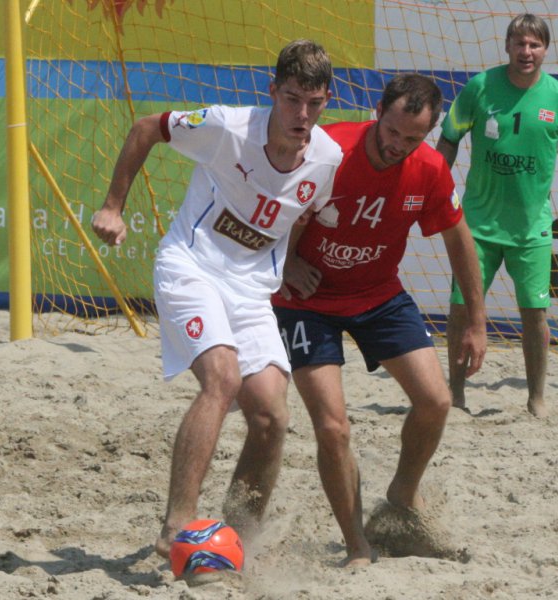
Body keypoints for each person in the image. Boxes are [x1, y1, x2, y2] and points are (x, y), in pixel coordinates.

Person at [91, 39, 344, 560]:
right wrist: (113, 207)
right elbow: (146, 129)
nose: (302, 115)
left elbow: (303, 213)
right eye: (293, 99)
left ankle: (235, 540)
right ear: (273, 91)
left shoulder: (327, 156)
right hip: (192, 267)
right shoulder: (226, 127)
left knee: (273, 418)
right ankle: (177, 527)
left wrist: (292, 261)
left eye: (315, 103)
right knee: (224, 380)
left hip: (252, 291)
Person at [271, 73, 487, 567]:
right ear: (378, 112)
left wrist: (476, 321)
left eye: (413, 138)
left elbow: (459, 240)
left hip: (378, 295)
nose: (398, 145)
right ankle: (357, 546)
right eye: (392, 132)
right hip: (306, 301)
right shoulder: (328, 151)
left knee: (436, 401)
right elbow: (270, 213)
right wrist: (285, 265)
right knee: (334, 428)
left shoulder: (429, 168)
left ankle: (402, 495)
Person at [436, 13, 558, 418]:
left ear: (545, 50)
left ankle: (536, 399)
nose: (526, 51)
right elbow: (448, 140)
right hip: (476, 226)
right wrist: (428, 189)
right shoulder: (480, 87)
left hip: (532, 229)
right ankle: (457, 395)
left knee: (534, 315)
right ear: (507, 47)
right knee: (461, 309)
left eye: (534, 44)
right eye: (519, 43)